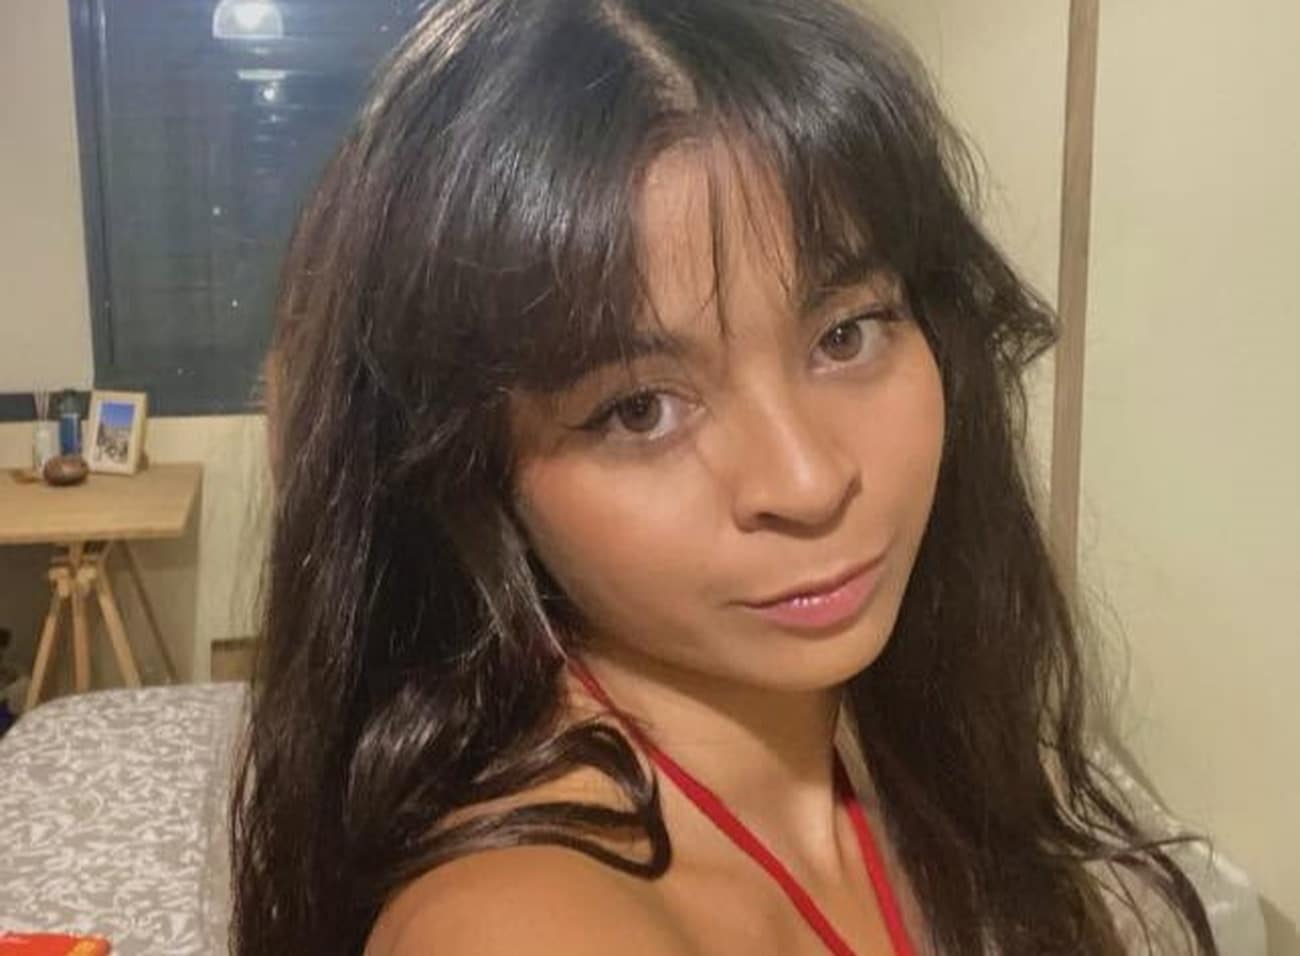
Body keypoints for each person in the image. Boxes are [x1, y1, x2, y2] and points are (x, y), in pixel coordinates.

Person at [231, 1, 1219, 953]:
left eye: (845, 334)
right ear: (469, 473)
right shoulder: (519, 925)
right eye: (639, 409)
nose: (808, 480)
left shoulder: (886, 730)